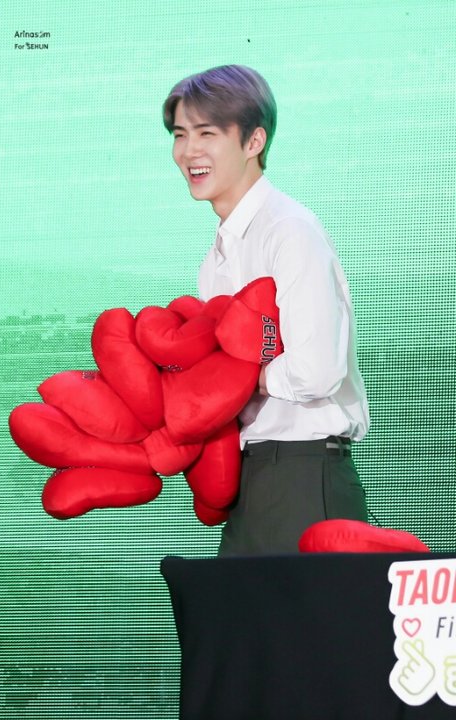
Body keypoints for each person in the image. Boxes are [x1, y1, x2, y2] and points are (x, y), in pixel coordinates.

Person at [162, 64, 370, 556]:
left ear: (254, 141)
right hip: (252, 478)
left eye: (207, 133)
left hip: (304, 475)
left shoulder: (289, 231)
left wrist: (239, 378)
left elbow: (317, 370)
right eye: (180, 135)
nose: (189, 151)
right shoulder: (217, 257)